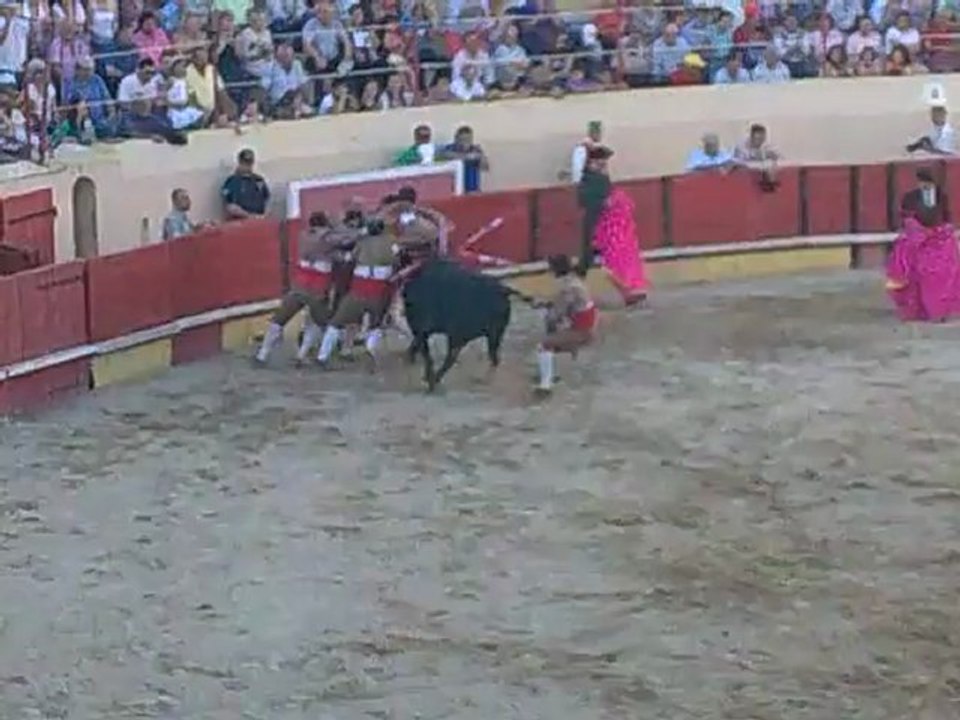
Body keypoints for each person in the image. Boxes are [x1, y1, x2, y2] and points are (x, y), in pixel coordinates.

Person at [255, 211, 355, 364]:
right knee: (320, 322)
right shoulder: (327, 238)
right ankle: (309, 355)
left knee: (280, 319)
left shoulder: (303, 235)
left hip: (299, 286)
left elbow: (331, 252)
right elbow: (348, 241)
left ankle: (262, 354)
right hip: (317, 289)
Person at [576, 145, 649, 305]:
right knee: (600, 261)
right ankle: (577, 293)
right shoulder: (591, 179)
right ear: (591, 162)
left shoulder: (596, 177)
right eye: (600, 162)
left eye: (604, 162)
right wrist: (604, 204)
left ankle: (625, 293)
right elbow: (586, 202)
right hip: (598, 225)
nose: (603, 165)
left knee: (603, 261)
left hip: (605, 225)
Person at [886, 168, 960, 322]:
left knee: (942, 276)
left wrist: (942, 230)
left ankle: (939, 310)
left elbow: (946, 217)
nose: (925, 185)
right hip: (919, 242)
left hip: (937, 241)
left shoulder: (941, 196)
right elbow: (905, 218)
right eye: (923, 182)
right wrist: (917, 230)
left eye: (928, 182)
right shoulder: (910, 197)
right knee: (915, 275)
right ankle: (919, 310)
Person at [535, 253, 598, 396]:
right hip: (585, 327)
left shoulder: (566, 288)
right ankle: (550, 374)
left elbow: (556, 314)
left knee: (544, 345)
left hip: (582, 331)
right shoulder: (574, 281)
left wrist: (544, 310)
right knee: (552, 337)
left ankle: (545, 385)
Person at [221, 148, 270, 220]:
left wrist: (264, 215)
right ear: (239, 163)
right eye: (244, 163)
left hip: (259, 220)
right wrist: (249, 216)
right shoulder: (232, 181)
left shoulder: (259, 180)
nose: (247, 166)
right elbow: (230, 207)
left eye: (249, 163)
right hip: (240, 221)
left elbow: (267, 200)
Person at [440, 125, 489, 194]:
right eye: (462, 140)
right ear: (456, 138)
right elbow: (446, 155)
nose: (465, 142)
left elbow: (485, 168)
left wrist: (482, 156)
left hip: (472, 190)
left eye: (468, 140)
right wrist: (466, 156)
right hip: (454, 190)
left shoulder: (475, 149)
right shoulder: (450, 148)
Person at [568, 120, 602, 184]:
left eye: (599, 133)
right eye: (597, 133)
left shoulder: (592, 143)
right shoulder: (586, 143)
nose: (599, 135)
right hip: (584, 174)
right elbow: (591, 146)